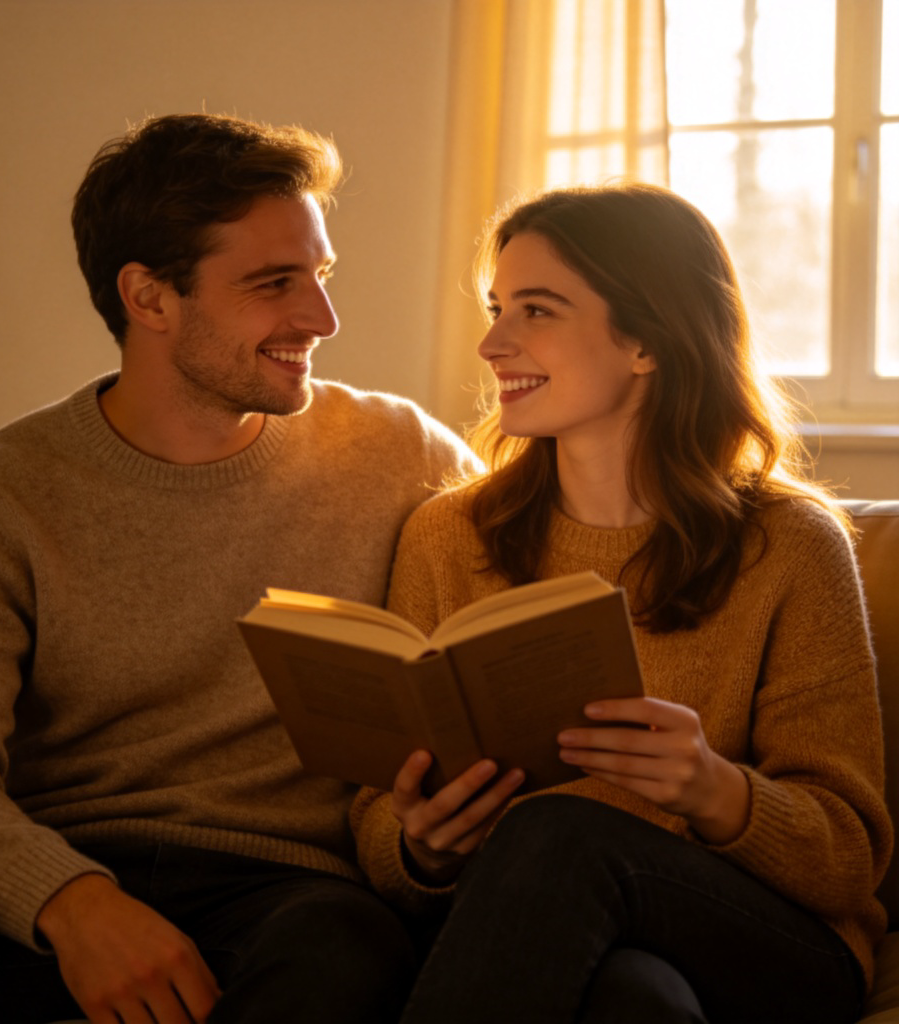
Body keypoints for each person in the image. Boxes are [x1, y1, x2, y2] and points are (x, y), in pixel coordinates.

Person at [0, 113, 476, 1024]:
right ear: (149, 298)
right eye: (275, 283)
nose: (322, 317)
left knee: (346, 951)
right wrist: (72, 905)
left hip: (286, 889)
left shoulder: (398, 452)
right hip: (41, 873)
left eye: (319, 274)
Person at [350, 183, 893, 1023]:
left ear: (645, 339)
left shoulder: (790, 544)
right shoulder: (448, 536)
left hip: (768, 943)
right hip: (543, 939)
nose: (493, 342)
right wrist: (417, 843)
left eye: (537, 309)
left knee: (559, 834)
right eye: (498, 308)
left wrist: (713, 788)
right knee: (635, 1002)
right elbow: (377, 815)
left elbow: (846, 857)